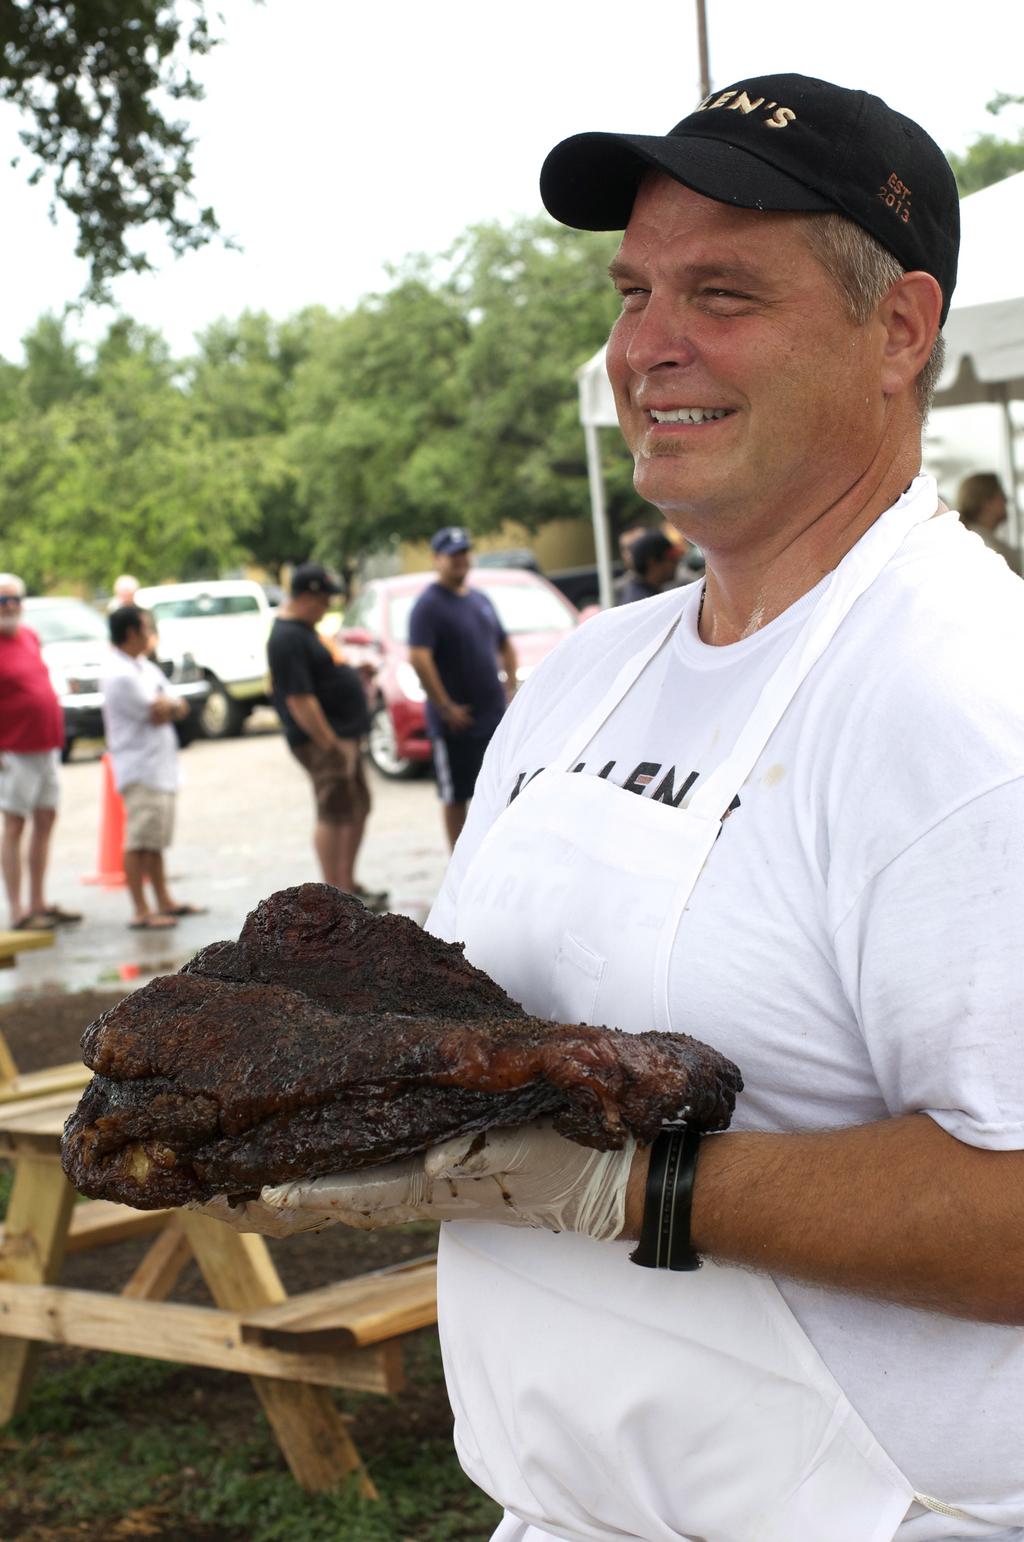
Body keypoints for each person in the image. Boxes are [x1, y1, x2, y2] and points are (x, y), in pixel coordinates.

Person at [215, 75, 1024, 1542]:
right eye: (635, 288)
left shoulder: (968, 698)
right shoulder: (592, 665)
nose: (648, 346)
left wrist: (628, 1187)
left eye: (722, 291)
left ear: (900, 329)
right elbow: (488, 1026)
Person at [267, 563, 385, 908]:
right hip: (324, 740)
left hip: (342, 734)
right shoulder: (287, 637)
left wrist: (349, 671)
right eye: (322, 600)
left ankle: (347, 885)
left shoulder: (305, 630)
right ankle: (334, 893)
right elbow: (300, 699)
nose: (326, 608)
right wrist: (329, 742)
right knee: (334, 811)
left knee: (356, 806)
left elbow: (321, 673)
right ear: (305, 597)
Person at [408, 527, 518, 849]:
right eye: (453, 555)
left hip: (491, 717)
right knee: (456, 795)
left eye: (464, 554)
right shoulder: (428, 605)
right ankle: (459, 863)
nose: (461, 561)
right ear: (437, 559)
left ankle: (490, 854)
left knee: (496, 789)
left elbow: (505, 644)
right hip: (456, 723)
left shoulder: (479, 599)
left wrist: (509, 689)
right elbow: (419, 657)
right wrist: (445, 706)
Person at [101, 606, 203, 930]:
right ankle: (141, 909)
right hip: (140, 766)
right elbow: (157, 710)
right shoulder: (120, 674)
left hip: (159, 766)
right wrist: (170, 706)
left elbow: (176, 704)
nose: (150, 633)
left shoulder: (143, 667)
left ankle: (163, 899)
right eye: (146, 627)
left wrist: (170, 705)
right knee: (139, 840)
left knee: (155, 840)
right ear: (132, 632)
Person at [0, 573, 81, 931]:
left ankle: (38, 902)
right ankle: (17, 909)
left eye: (16, 599)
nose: (11, 607)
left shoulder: (29, 635)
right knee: (15, 823)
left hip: (45, 743)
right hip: (13, 748)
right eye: (3, 601)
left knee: (45, 818)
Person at [956, 471, 1021, 575]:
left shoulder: (976, 539)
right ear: (987, 503)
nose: (1007, 500)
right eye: (1001, 495)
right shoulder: (984, 547)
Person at [615, 528, 683, 604]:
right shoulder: (644, 603)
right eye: (672, 558)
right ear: (652, 562)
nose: (676, 562)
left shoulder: (643, 593)